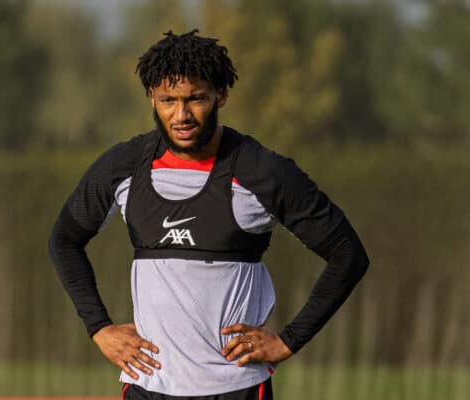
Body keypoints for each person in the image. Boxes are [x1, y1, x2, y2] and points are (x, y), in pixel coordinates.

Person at [49, 30, 369, 400]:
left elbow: (348, 253)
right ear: (152, 97)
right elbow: (64, 239)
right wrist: (99, 328)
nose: (181, 115)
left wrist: (288, 341)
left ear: (221, 94)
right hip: (148, 388)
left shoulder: (263, 172)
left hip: (237, 388)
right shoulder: (122, 166)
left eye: (196, 99)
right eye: (168, 100)